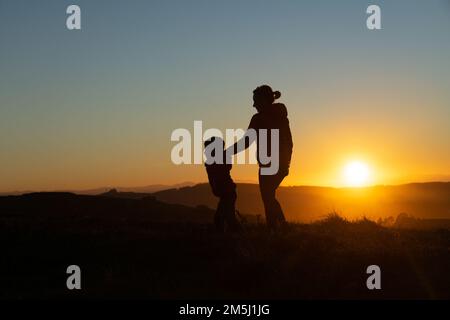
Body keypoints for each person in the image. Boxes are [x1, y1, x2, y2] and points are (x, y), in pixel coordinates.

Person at [227, 85, 293, 230]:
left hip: (268, 165)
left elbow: (246, 141)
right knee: (269, 196)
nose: (254, 105)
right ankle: (281, 228)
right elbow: (289, 142)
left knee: (268, 197)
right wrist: (286, 164)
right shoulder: (281, 116)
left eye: (256, 100)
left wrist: (227, 153)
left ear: (263, 100)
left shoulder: (259, 118)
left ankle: (277, 229)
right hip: (281, 164)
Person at [204, 137, 240, 232]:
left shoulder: (219, 161)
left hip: (227, 193)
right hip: (227, 193)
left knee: (223, 218)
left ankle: (235, 237)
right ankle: (233, 236)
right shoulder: (216, 161)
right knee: (226, 218)